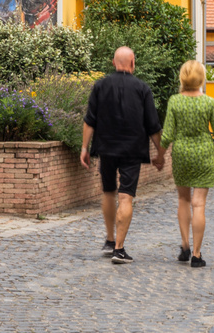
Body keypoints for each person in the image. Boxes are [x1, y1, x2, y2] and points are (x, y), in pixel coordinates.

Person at [81, 46, 165, 265]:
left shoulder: (100, 85)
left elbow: (90, 119)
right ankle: (119, 249)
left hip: (106, 148)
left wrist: (84, 148)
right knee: (126, 196)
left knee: (108, 192)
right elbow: (153, 126)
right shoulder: (142, 88)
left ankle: (110, 240)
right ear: (133, 63)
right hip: (132, 150)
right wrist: (160, 153)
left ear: (113, 62)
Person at [160, 60, 214, 268]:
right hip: (203, 155)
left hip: (182, 154)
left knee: (183, 200)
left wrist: (160, 155)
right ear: (202, 78)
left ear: (182, 77)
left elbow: (168, 134)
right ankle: (197, 255)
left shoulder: (174, 101)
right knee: (199, 204)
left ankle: (184, 246)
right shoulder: (209, 102)